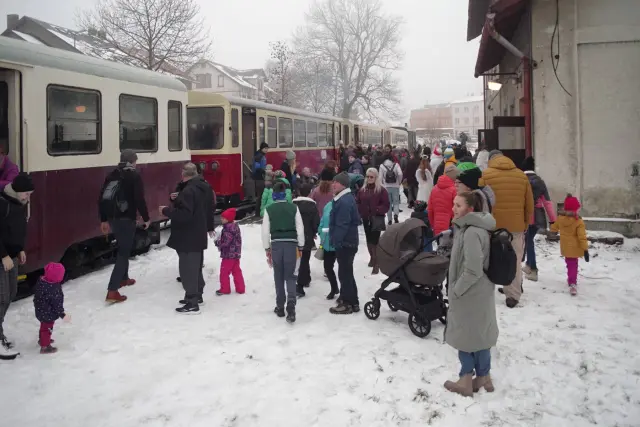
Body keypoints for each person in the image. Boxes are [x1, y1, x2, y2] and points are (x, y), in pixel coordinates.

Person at [443, 191, 498, 397]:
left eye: (458, 205)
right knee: (480, 335)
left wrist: (456, 289)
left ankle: (465, 380)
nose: (453, 209)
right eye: (454, 204)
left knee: (465, 335)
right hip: (480, 291)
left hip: (469, 292)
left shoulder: (471, 232)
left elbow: (473, 269)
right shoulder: (476, 228)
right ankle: (484, 377)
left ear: (471, 209)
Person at [480, 150, 534, 308]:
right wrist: (525, 223)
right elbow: (529, 204)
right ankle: (513, 294)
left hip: (493, 225)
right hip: (516, 226)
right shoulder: (521, 175)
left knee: (491, 258)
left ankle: (490, 287)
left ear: (491, 160)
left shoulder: (486, 175)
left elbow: (482, 201)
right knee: (514, 259)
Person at [99, 149, 150, 303]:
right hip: (126, 218)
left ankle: (124, 278)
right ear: (132, 161)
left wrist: (103, 219)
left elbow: (102, 198)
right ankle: (112, 290)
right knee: (124, 251)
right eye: (135, 161)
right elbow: (139, 199)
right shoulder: (134, 176)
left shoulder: (112, 174)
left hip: (113, 218)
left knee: (123, 246)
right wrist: (146, 218)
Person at [161, 163, 211, 314]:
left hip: (188, 235)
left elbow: (184, 215)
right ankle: (198, 295)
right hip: (198, 232)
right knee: (196, 267)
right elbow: (207, 207)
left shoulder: (189, 190)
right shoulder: (203, 186)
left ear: (183, 174)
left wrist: (166, 211)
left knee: (187, 269)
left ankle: (192, 302)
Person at [0, 173, 33, 359]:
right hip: (2, 257)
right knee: (2, 298)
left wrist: (20, 249)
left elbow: (17, 231)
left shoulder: (19, 203)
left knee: (11, 293)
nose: (28, 197)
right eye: (26, 193)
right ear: (17, 191)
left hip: (11, 256)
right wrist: (3, 255)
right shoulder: (2, 203)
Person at [261, 181, 305, 323]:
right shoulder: (294, 208)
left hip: (276, 245)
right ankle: (291, 305)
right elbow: (300, 229)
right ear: (285, 194)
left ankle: (280, 306)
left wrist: (267, 248)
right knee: (291, 276)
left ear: (273, 194)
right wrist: (301, 246)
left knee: (278, 276)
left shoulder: (269, 209)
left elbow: (265, 232)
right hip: (291, 245)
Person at [329, 172, 361, 314]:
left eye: (336, 182)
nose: (333, 185)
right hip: (349, 242)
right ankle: (352, 300)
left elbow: (342, 224)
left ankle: (347, 304)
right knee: (347, 272)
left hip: (346, 243)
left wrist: (336, 241)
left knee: (344, 273)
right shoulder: (345, 198)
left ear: (343, 184)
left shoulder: (344, 201)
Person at [521, 157, 557, 282]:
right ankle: (528, 265)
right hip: (538, 216)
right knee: (529, 239)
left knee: (528, 241)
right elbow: (547, 202)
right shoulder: (540, 182)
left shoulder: (521, 180)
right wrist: (552, 220)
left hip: (526, 215)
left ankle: (533, 270)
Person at [549, 195, 589, 296]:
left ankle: (570, 278)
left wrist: (552, 229)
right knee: (573, 265)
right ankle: (572, 283)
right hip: (575, 248)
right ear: (575, 210)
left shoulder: (560, 219)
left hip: (565, 248)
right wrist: (585, 249)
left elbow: (553, 228)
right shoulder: (578, 221)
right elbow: (582, 237)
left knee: (569, 263)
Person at [356, 168, 390, 275]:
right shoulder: (362, 190)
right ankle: (372, 257)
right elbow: (357, 201)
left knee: (375, 240)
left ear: (376, 178)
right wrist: (361, 210)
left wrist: (376, 210)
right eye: (367, 176)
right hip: (366, 218)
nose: (369, 178)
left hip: (377, 218)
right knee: (368, 239)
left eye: (371, 177)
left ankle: (376, 262)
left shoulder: (381, 190)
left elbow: (386, 205)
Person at [33, 262, 70, 354]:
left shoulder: (42, 281)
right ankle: (45, 347)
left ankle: (42, 340)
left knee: (43, 326)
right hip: (48, 313)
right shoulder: (53, 289)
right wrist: (63, 315)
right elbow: (57, 305)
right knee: (47, 329)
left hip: (40, 310)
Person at [293, 184, 320, 297]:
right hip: (308, 236)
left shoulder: (293, 204)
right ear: (310, 192)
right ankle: (305, 280)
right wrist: (314, 232)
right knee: (305, 259)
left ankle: (301, 280)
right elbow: (316, 221)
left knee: (298, 259)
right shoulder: (312, 206)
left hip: (295, 236)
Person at [214, 208, 245, 296]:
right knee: (236, 271)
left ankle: (225, 289)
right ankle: (240, 288)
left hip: (228, 255)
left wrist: (217, 242)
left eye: (223, 218)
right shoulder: (235, 226)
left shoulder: (228, 228)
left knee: (224, 272)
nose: (221, 219)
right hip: (236, 254)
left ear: (229, 219)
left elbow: (226, 242)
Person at [428, 165, 459, 235]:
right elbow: (456, 210)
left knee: (440, 240)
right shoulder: (454, 190)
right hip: (450, 225)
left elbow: (430, 209)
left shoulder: (434, 188)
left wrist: (432, 224)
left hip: (436, 224)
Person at [318, 200, 339, 300]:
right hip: (327, 243)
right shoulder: (327, 205)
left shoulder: (343, 205)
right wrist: (321, 232)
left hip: (339, 243)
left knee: (343, 270)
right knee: (327, 267)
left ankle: (344, 293)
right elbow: (322, 221)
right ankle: (334, 288)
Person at [379, 157, 403, 225]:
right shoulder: (396, 165)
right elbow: (400, 174)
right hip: (395, 187)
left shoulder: (382, 166)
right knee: (396, 202)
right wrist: (399, 182)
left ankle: (389, 220)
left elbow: (380, 177)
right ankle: (396, 215)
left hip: (386, 187)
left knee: (388, 203)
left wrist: (382, 186)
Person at [253, 142, 270, 217]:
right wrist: (265, 171)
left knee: (261, 195)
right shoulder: (258, 156)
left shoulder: (261, 155)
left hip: (260, 177)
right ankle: (258, 213)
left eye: (267, 148)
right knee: (260, 196)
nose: (266, 150)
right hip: (259, 178)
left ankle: (259, 212)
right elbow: (257, 168)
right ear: (262, 148)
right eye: (265, 148)